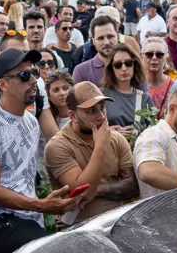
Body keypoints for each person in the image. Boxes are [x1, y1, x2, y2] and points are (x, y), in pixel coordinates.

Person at [0, 48, 73, 253]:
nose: (34, 80)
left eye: (34, 72)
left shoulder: (31, 122)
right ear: (3, 85)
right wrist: (42, 206)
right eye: (24, 75)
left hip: (29, 219)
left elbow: (24, 180)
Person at [43, 82, 139, 223]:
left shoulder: (117, 139)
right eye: (91, 111)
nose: (101, 116)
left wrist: (98, 189)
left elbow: (132, 187)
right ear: (73, 116)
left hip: (116, 223)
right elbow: (83, 192)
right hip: (78, 229)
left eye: (102, 108)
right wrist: (100, 147)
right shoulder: (58, 146)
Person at [98, 43, 150, 132]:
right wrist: (107, 131)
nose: (124, 68)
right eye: (118, 65)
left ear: (135, 65)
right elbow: (90, 126)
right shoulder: (101, 95)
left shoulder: (145, 98)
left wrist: (136, 130)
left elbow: (154, 130)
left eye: (128, 63)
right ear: (111, 68)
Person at [69, 14, 122, 85]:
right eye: (100, 38)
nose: (106, 42)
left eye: (110, 36)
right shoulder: (81, 71)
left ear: (118, 37)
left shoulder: (130, 66)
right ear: (93, 41)